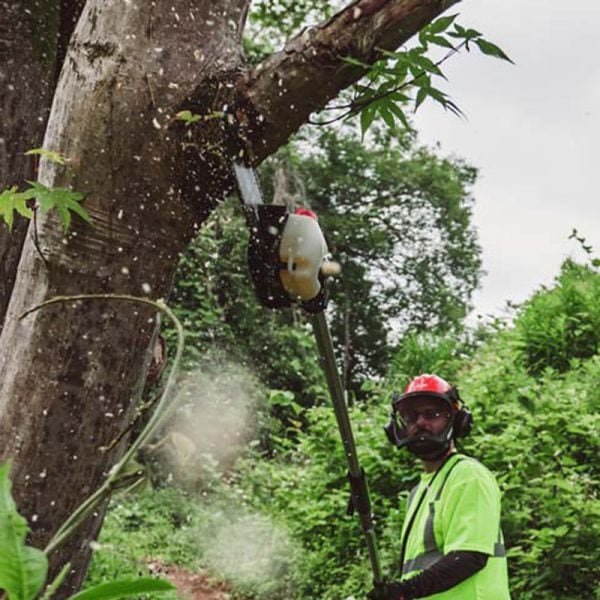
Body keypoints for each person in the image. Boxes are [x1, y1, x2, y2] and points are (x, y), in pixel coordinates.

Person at [369, 373, 511, 599]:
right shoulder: (418, 492)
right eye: (411, 417)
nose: (420, 423)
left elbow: (469, 557)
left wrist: (404, 591)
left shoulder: (468, 476)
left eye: (432, 414)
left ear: (456, 420)